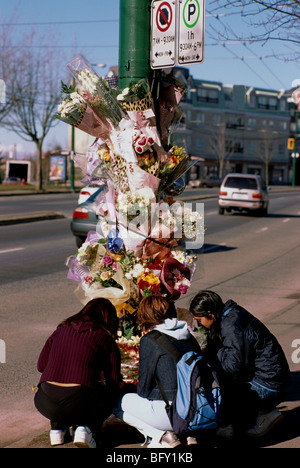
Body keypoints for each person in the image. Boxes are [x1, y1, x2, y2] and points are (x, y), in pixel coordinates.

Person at [189, 290, 291, 439]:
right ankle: (258, 412)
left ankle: (263, 414)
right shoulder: (231, 314)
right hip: (274, 378)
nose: (199, 325)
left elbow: (233, 367)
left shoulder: (231, 325)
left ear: (210, 314)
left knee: (222, 391)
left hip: (270, 385)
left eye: (199, 320)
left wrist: (209, 351)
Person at [34, 298, 126, 448]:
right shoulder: (105, 337)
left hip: (44, 401)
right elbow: (114, 381)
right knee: (106, 394)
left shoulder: (60, 330)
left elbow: (41, 366)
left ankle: (57, 429)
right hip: (79, 402)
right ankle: (86, 428)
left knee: (60, 388)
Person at [114, 295, 202, 448]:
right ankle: (187, 434)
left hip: (171, 412)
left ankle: (162, 436)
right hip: (197, 409)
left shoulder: (150, 340)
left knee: (117, 402)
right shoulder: (188, 336)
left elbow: (143, 388)